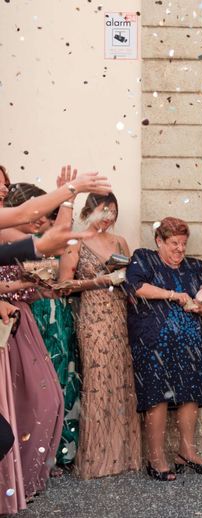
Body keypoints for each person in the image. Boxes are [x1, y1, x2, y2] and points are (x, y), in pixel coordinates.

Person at [125, 217, 202, 481]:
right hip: (153, 343)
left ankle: (186, 452)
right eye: (174, 243)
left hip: (190, 343)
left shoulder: (196, 266)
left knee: (190, 393)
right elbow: (134, 287)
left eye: (183, 244)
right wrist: (173, 295)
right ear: (159, 241)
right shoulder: (144, 259)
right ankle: (156, 458)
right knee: (156, 395)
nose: (180, 249)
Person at [57, 192, 140, 479]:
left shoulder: (120, 242)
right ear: (89, 211)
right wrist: (99, 281)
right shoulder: (75, 241)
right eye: (103, 211)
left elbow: (131, 280)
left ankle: (123, 456)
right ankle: (95, 460)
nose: (108, 217)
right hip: (92, 317)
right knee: (97, 380)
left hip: (119, 317)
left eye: (112, 212)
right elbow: (63, 284)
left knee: (120, 380)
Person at [3, 184, 81, 472]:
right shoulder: (9, 234)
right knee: (22, 398)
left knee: (46, 396)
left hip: (31, 319)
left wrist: (69, 202)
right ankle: (18, 470)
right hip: (13, 320)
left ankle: (33, 465)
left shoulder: (29, 238)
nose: (39, 219)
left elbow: (58, 267)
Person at [0, 169, 65, 510]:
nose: (2, 188)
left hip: (21, 322)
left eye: (5, 183)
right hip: (7, 326)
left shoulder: (16, 232)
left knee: (43, 402)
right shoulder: (9, 230)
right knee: (20, 408)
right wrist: (69, 192)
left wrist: (35, 287)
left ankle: (24, 480)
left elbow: (54, 241)